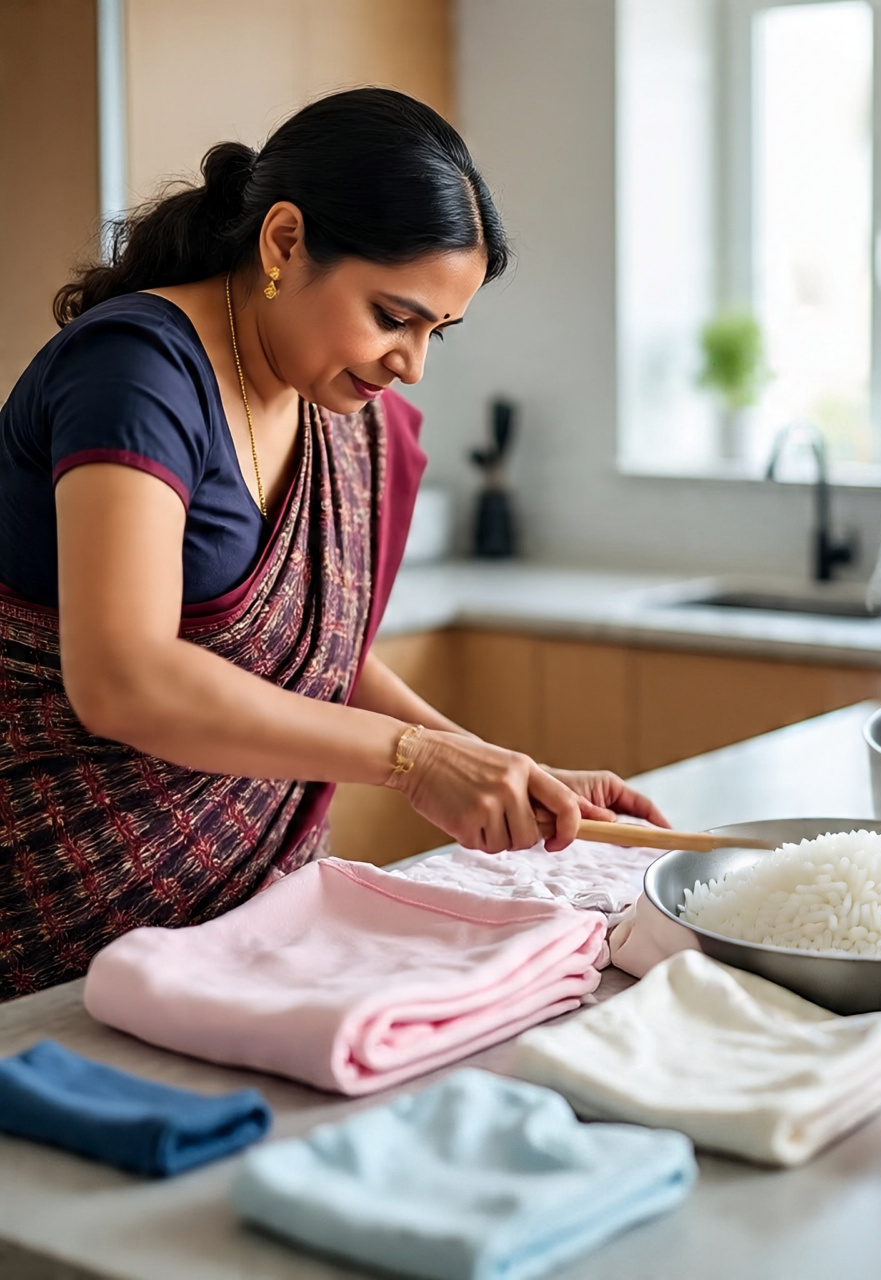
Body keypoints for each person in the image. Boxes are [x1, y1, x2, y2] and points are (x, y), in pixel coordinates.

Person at [0, 88, 665, 1000]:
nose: (412, 362)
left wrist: (502, 771)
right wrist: (415, 761)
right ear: (283, 243)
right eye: (393, 316)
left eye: (437, 330)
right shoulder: (137, 373)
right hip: (50, 916)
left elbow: (318, 664)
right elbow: (125, 679)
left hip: (230, 940)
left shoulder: (342, 417)